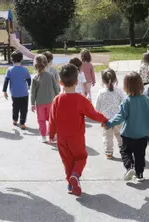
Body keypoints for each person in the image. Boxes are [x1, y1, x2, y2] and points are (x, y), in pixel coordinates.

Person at [49, 64, 107, 196]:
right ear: (77, 82)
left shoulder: (57, 100)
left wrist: (51, 134)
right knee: (81, 157)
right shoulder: (81, 99)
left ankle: (70, 184)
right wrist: (104, 119)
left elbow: (52, 119)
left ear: (60, 82)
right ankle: (75, 175)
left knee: (67, 161)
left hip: (62, 139)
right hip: (76, 137)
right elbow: (93, 113)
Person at [104, 72, 149, 182]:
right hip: (143, 135)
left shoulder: (127, 101)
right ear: (141, 84)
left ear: (126, 86)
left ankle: (129, 167)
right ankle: (139, 174)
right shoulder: (147, 100)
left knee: (125, 152)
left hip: (128, 134)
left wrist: (109, 123)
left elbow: (120, 116)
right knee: (140, 155)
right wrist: (148, 128)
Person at [95, 69, 125, 159]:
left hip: (106, 120)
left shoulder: (101, 93)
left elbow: (97, 107)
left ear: (103, 81)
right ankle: (123, 149)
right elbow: (123, 104)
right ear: (115, 80)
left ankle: (109, 152)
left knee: (107, 137)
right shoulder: (119, 91)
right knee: (119, 135)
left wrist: (100, 117)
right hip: (117, 119)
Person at [31, 54, 59, 143]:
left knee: (41, 120)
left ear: (35, 65)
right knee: (51, 119)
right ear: (46, 64)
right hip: (51, 101)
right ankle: (53, 135)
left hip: (39, 103)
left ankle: (43, 136)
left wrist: (32, 103)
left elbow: (33, 93)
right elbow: (56, 88)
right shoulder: (51, 75)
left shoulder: (35, 78)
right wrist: (58, 99)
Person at [3, 51, 31, 130]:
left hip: (14, 93)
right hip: (24, 92)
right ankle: (22, 123)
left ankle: (15, 120)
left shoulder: (9, 70)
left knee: (15, 107)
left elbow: (6, 81)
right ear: (21, 59)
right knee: (24, 109)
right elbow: (29, 79)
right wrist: (29, 86)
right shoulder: (25, 69)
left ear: (11, 59)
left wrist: (4, 91)